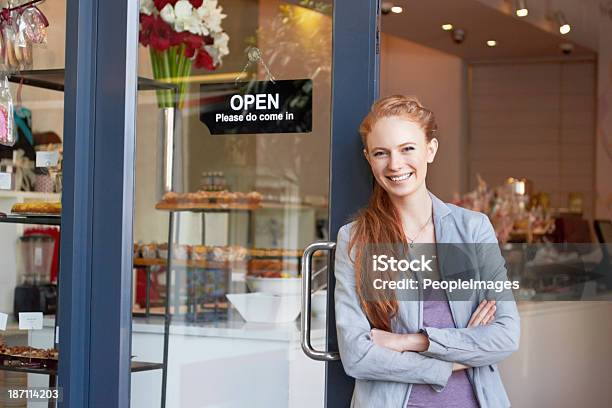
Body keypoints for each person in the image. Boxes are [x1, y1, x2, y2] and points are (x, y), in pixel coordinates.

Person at [334, 95, 520, 407]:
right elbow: (357, 356)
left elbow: (505, 335)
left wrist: (409, 342)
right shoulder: (354, 239)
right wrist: (453, 361)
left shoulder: (473, 229)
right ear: (369, 158)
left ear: (430, 150)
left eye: (408, 148)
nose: (395, 164)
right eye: (382, 153)